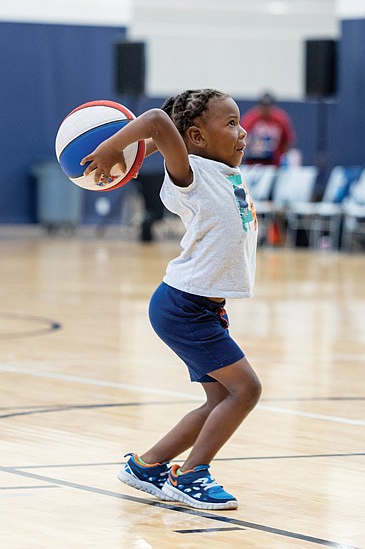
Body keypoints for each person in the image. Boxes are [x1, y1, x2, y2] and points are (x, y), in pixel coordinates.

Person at [81, 89, 261, 511]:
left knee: (222, 399)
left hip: (204, 308)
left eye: (239, 121)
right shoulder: (191, 174)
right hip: (184, 307)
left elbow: (162, 133)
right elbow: (159, 122)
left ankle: (148, 466)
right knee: (246, 389)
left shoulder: (221, 168)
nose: (243, 132)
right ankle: (192, 474)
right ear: (196, 136)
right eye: (231, 123)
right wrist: (111, 147)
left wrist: (136, 146)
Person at [241, 91, 295, 166]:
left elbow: (288, 141)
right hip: (253, 163)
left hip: (274, 164)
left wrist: (280, 155)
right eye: (264, 105)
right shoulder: (250, 119)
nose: (266, 109)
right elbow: (242, 138)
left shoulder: (281, 119)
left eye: (268, 106)